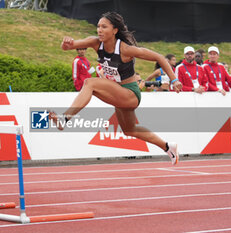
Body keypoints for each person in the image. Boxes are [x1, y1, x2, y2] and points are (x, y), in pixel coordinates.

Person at [49, 12, 182, 165]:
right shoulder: (95, 42)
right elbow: (69, 46)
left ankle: (64, 118)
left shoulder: (125, 49)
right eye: (98, 26)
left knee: (89, 83)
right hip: (118, 94)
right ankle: (168, 147)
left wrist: (174, 79)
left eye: (104, 27)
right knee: (130, 130)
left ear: (115, 30)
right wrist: (65, 44)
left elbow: (159, 57)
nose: (99, 30)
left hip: (130, 93)